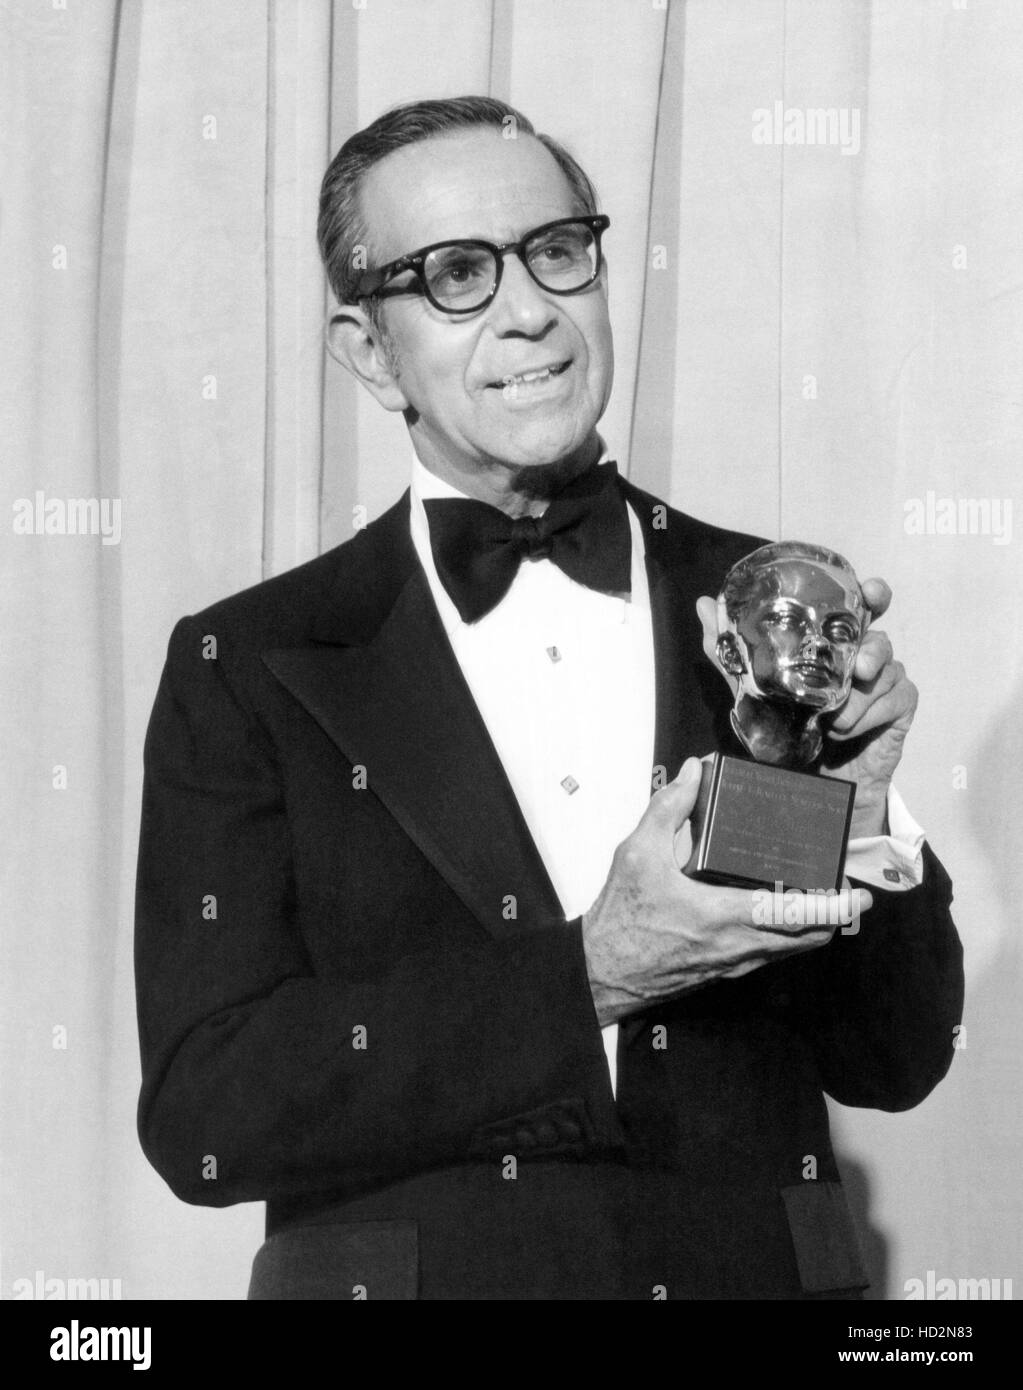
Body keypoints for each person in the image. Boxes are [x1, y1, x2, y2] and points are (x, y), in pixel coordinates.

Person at [134, 96, 964, 1301]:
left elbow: (889, 1060)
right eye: (456, 274)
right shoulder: (248, 661)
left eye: (557, 251)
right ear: (371, 352)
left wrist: (865, 820)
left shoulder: (768, 611)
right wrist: (591, 976)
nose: (530, 311)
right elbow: (207, 1109)